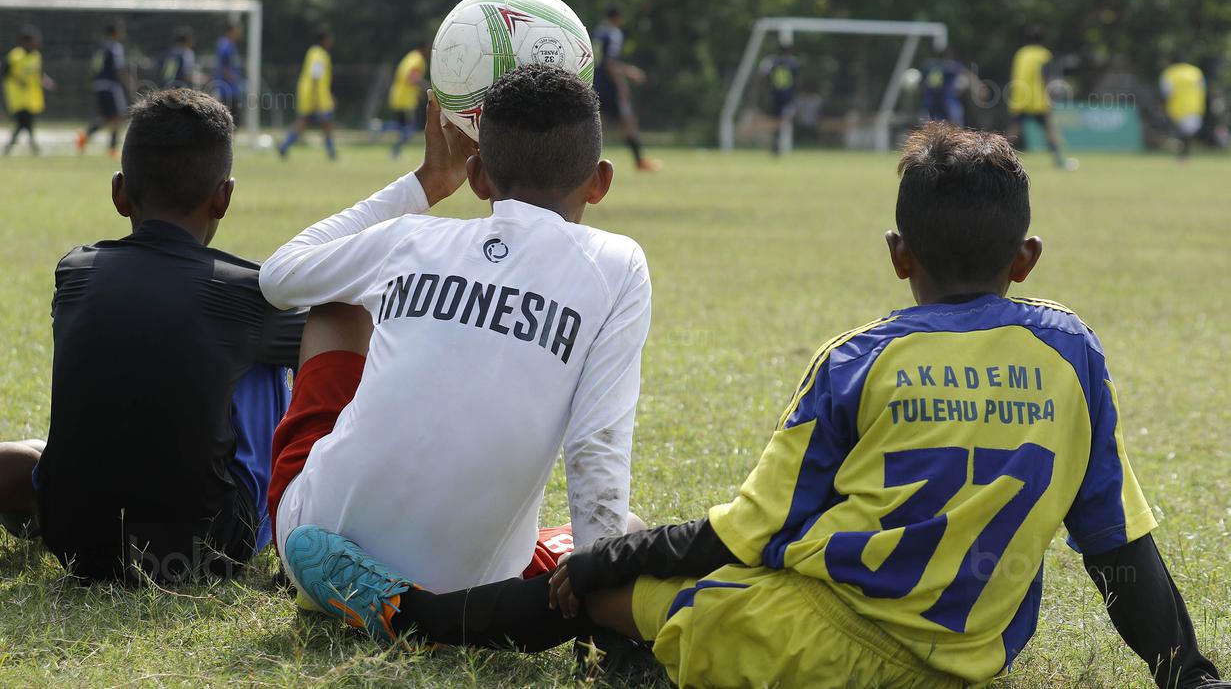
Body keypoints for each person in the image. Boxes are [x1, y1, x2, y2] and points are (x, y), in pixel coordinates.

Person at [282, 123, 1224, 689]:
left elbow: (743, 534)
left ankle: (410, 616)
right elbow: (1119, 547)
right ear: (1026, 260)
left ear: (898, 254)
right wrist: (1188, 673)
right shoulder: (1071, 351)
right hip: (976, 656)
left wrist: (610, 559)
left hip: (824, 647)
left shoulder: (859, 362)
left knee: (599, 585)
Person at [260, 65, 652, 609]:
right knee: (628, 527)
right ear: (601, 180)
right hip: (476, 586)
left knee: (336, 303)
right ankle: (426, 601)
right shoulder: (619, 264)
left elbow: (280, 276)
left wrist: (426, 182)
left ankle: (357, 580)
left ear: (478, 178)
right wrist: (597, 589)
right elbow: (596, 445)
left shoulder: (410, 238)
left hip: (314, 538)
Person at [0, 89, 306, 583]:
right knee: (263, 350)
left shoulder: (75, 273)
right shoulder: (250, 294)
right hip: (208, 550)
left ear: (119, 192)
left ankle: (44, 492)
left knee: (37, 451)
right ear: (223, 198)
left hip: (76, 541)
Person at [593, 6, 660, 172]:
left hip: (593, 83)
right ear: (618, 18)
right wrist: (627, 78)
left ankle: (586, 164)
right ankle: (640, 161)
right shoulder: (613, 34)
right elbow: (610, 64)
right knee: (628, 121)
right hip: (609, 86)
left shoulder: (596, 32)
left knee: (593, 124)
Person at [1005, 28, 1076, 170]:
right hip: (1037, 99)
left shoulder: (1021, 53)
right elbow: (1046, 76)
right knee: (1050, 129)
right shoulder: (1043, 55)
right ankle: (1058, 161)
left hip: (1019, 97)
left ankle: (1002, 158)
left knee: (1014, 130)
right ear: (1043, 41)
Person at [279, 26, 336, 160]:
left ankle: (284, 146)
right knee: (326, 122)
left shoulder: (313, 52)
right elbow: (316, 77)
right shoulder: (318, 54)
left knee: (305, 122)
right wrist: (316, 100)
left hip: (311, 95)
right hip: (316, 97)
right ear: (325, 39)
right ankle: (331, 152)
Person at [77, 20, 128, 158]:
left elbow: (93, 67)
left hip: (99, 85)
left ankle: (84, 136)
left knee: (107, 118)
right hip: (111, 86)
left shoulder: (100, 47)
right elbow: (118, 69)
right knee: (117, 117)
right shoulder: (115, 47)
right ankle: (112, 149)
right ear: (116, 32)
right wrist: (127, 83)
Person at [3, 25, 52, 156]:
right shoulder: (15, 56)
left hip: (31, 96)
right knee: (24, 121)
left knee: (24, 123)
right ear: (26, 42)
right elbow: (4, 72)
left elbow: (38, 73)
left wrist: (46, 81)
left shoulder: (36, 56)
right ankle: (33, 146)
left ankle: (10, 147)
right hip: (17, 96)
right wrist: (17, 80)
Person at [385, 39, 428, 159]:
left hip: (397, 95)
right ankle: (395, 150)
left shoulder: (410, 57)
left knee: (400, 127)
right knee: (410, 128)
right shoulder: (418, 59)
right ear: (424, 48)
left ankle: (380, 127)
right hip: (406, 99)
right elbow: (412, 77)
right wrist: (426, 87)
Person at [1160, 53, 1206, 161]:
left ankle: (1182, 155)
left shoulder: (1169, 73)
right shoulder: (1195, 72)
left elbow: (1166, 93)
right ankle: (1184, 155)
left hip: (1175, 108)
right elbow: (1202, 90)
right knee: (1187, 134)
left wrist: (1162, 106)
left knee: (1181, 133)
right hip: (1194, 106)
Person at [759, 43, 798, 155]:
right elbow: (796, 81)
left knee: (778, 120)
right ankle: (776, 142)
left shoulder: (771, 61)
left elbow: (763, 77)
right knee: (782, 120)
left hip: (775, 96)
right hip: (785, 97)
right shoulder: (791, 63)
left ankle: (775, 142)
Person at [921, 47, 976, 127]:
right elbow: (968, 74)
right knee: (953, 127)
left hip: (941, 104)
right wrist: (978, 88)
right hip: (943, 103)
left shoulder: (929, 67)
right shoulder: (948, 67)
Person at [214, 21, 243, 124]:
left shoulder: (231, 45)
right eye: (238, 29)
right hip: (226, 89)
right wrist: (234, 78)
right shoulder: (225, 45)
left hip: (233, 89)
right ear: (231, 31)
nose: (240, 32)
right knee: (229, 120)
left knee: (235, 120)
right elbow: (222, 67)